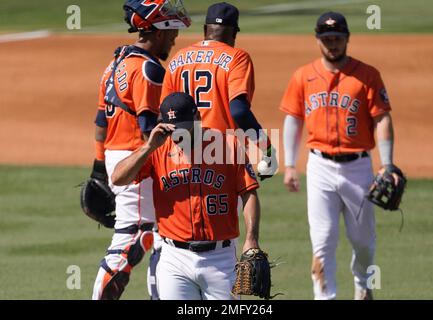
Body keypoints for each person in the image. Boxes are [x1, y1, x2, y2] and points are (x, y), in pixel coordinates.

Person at [280, 12, 400, 300]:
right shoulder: (303, 76)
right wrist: (289, 165)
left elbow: (381, 119)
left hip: (358, 167)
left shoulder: (367, 75)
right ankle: (325, 297)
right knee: (322, 241)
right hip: (319, 166)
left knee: (363, 243)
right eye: (326, 39)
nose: (332, 44)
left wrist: (386, 164)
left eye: (337, 38)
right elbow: (293, 119)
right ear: (318, 40)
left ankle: (363, 286)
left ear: (347, 38)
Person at [111, 92, 263, 300]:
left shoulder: (228, 145)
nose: (180, 137)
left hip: (220, 259)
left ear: (198, 118)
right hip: (175, 259)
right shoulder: (158, 149)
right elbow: (118, 178)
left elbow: (249, 192)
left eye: (185, 129)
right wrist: (147, 147)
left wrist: (251, 239)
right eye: (174, 131)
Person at [91, 0, 190, 300]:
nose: (174, 37)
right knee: (134, 236)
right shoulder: (148, 68)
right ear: (158, 31)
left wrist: (98, 169)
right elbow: (150, 127)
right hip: (138, 160)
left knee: (163, 237)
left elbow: (100, 122)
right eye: (171, 29)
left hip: (118, 155)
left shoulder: (115, 63)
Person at [161, 2, 278, 178]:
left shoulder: (178, 57)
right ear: (234, 33)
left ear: (205, 29)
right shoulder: (237, 58)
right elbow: (239, 111)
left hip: (182, 152)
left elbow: (163, 113)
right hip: (222, 151)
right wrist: (267, 149)